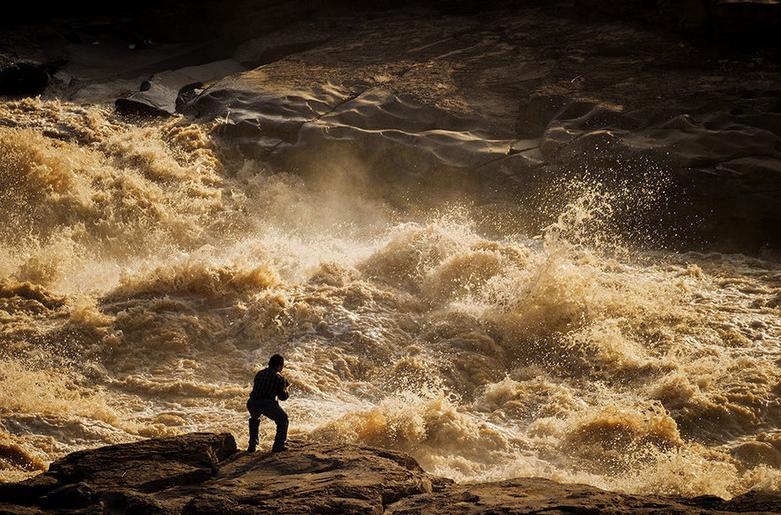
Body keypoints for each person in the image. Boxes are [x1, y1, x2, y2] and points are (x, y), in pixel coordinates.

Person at [246, 354, 290, 452]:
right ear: (279, 366)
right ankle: (278, 446)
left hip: (252, 402)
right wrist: (286, 388)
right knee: (283, 419)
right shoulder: (279, 377)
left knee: (254, 418)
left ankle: (252, 445)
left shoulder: (260, 373)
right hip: (266, 403)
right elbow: (282, 397)